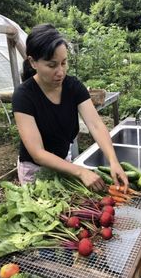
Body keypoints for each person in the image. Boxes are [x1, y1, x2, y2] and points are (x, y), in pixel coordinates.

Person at [12, 23, 128, 192]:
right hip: (34, 170)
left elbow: (95, 125)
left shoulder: (73, 87)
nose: (60, 72)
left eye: (64, 63)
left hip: (64, 163)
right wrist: (80, 172)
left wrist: (113, 160)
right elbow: (38, 153)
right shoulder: (24, 96)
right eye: (52, 65)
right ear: (33, 62)